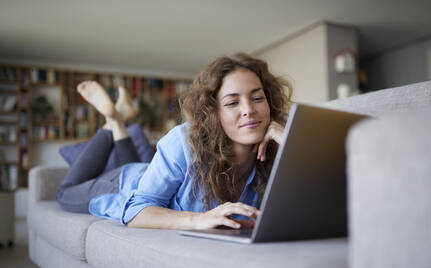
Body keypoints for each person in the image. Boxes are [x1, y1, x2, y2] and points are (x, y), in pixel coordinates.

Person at [57, 53, 292, 230]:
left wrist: (292, 144)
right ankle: (112, 121)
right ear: (214, 112)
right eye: (232, 103)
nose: (249, 110)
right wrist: (199, 219)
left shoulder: (278, 152)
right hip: (123, 184)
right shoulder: (184, 140)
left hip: (149, 173)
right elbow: (136, 209)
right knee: (65, 194)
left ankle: (120, 119)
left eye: (258, 98)